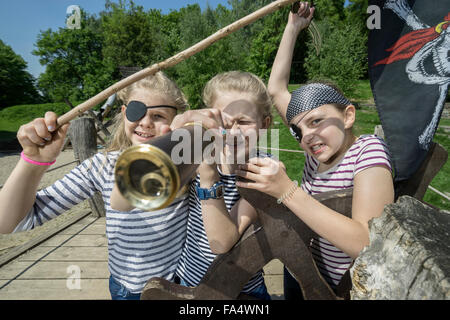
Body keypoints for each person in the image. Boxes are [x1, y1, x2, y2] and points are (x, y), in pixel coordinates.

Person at [235, 2, 395, 297]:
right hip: (302, 268)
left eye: (316, 121)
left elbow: (366, 243)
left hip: (339, 288)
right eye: (299, 129)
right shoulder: (317, 147)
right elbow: (276, 90)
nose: (306, 135)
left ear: (347, 116)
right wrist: (293, 28)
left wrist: (287, 191)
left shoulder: (368, 152)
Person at [0, 72, 198, 300]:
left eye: (158, 115)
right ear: (124, 113)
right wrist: (34, 162)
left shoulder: (187, 166)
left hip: (172, 286)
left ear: (176, 121)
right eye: (137, 111)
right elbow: (12, 222)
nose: (145, 122)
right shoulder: (102, 166)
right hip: (123, 289)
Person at [171, 71, 274, 299]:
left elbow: (223, 241)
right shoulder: (195, 155)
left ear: (264, 125)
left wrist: (208, 177)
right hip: (189, 281)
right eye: (224, 124)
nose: (234, 132)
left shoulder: (263, 171)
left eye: (244, 122)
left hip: (242, 290)